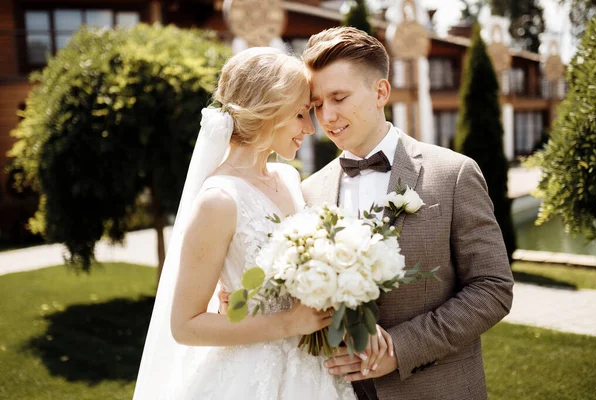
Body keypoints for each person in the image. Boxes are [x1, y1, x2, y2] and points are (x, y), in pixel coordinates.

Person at [133, 47, 393, 400]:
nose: (310, 126)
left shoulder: (288, 178)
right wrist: (287, 323)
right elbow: (185, 326)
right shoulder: (219, 200)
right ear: (270, 110)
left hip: (314, 368)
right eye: (301, 113)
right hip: (252, 376)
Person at [299, 27, 514, 400]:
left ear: (380, 92)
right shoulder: (308, 191)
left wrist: (400, 348)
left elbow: (492, 288)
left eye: (338, 97)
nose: (327, 116)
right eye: (318, 104)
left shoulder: (453, 173)